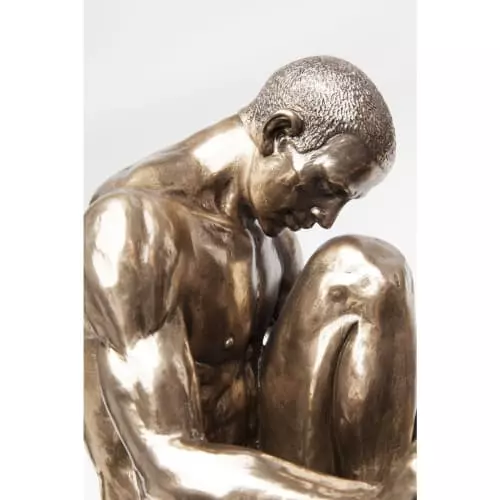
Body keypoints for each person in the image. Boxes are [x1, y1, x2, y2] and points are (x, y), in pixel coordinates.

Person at [84, 56, 416, 500]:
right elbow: (164, 463)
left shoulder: (272, 239)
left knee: (368, 272)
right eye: (326, 187)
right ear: (279, 134)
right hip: (174, 490)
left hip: (273, 482)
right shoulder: (131, 226)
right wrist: (373, 498)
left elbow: (337, 392)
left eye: (343, 201)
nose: (327, 217)